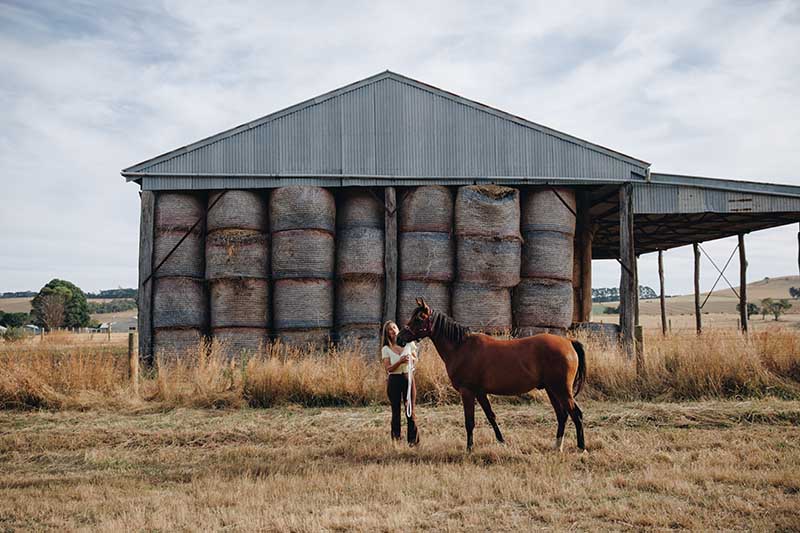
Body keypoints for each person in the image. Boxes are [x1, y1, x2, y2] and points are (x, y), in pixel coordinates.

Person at [380, 320, 420, 446]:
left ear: (398, 328)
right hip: (394, 380)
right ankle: (396, 441)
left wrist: (411, 360)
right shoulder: (386, 349)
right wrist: (400, 362)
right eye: (389, 330)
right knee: (395, 411)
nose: (392, 331)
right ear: (387, 334)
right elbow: (388, 368)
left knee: (410, 410)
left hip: (408, 378)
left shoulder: (409, 344)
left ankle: (413, 442)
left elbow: (415, 359)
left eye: (394, 328)